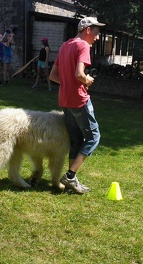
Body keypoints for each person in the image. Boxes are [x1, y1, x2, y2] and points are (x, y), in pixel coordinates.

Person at [49, 17, 105, 194]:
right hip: (79, 100)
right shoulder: (83, 46)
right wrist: (86, 80)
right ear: (87, 30)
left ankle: (72, 181)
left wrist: (67, 84)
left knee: (77, 140)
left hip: (65, 100)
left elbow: (53, 75)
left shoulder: (66, 45)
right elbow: (80, 74)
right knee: (93, 137)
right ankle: (71, 175)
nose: (97, 37)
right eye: (96, 33)